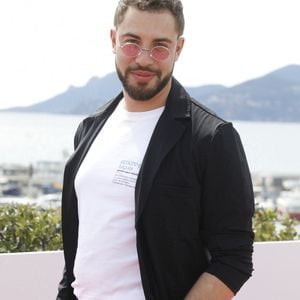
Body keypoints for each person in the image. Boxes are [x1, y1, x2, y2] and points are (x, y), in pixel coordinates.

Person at [57, 0, 254, 299]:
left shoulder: (212, 137)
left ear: (179, 48)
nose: (144, 59)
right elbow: (82, 251)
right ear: (113, 40)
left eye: (160, 46)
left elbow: (234, 259)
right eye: (132, 43)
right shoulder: (89, 129)